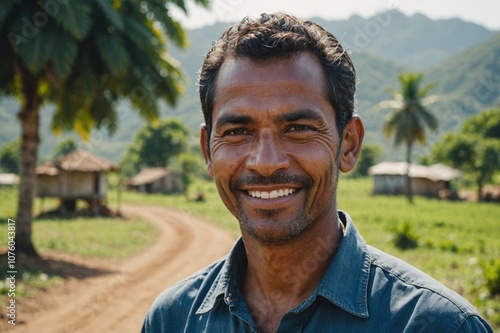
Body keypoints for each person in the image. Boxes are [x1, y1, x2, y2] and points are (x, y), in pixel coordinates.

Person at [141, 12, 493, 333]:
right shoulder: (173, 319)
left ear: (349, 144)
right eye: (237, 132)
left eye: (297, 128)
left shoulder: (436, 325)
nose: (265, 162)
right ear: (207, 150)